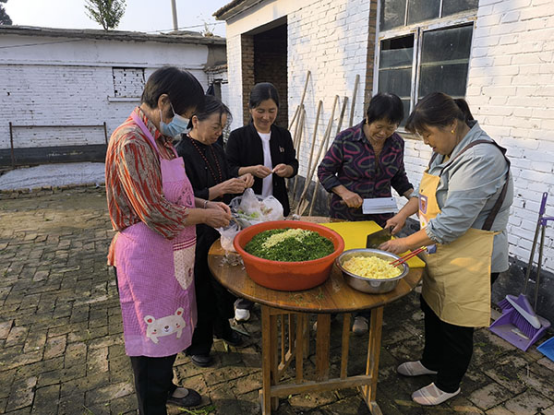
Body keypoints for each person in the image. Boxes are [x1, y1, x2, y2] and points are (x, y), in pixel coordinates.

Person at [105, 66, 232, 415]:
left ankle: (166, 387)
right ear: (164, 103)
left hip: (170, 255)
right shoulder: (131, 141)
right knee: (150, 342)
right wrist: (206, 216)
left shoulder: (160, 140)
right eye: (187, 116)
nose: (186, 124)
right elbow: (156, 213)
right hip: (147, 258)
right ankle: (153, 403)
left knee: (168, 331)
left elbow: (180, 196)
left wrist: (207, 203)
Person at [379, 92, 513, 406]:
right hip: (441, 252)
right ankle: (432, 361)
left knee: (456, 324)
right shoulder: (446, 150)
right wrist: (402, 215)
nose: (426, 142)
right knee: (433, 310)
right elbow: (426, 194)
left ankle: (448, 382)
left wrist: (403, 244)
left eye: (427, 134)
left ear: (451, 124)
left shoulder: (481, 158)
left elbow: (451, 223)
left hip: (473, 257)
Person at [317, 92, 414, 334]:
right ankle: (332, 309)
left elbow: (398, 177)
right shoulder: (346, 139)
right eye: (379, 127)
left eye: (390, 128)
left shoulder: (397, 144)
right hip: (344, 214)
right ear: (368, 119)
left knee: (371, 265)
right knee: (340, 262)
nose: (383, 133)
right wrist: (343, 192)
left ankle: (362, 313)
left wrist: (414, 197)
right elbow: (325, 171)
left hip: (380, 217)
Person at [175, 96, 254, 367]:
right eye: (215, 127)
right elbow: (183, 197)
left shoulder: (215, 146)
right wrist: (220, 189)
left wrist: (242, 177)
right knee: (201, 289)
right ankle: (198, 344)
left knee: (222, 284)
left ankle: (223, 329)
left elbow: (227, 170)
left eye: (222, 128)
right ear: (195, 121)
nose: (219, 134)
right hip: (195, 231)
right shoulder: (181, 152)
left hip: (220, 227)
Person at [226, 82, 299, 321]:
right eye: (261, 111)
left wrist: (287, 169)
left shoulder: (282, 135)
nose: (266, 116)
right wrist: (249, 170)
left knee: (275, 247)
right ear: (250, 109)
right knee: (248, 252)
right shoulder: (239, 137)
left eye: (271, 111)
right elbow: (229, 168)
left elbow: (293, 165)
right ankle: (244, 298)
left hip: (275, 205)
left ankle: (275, 290)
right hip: (248, 208)